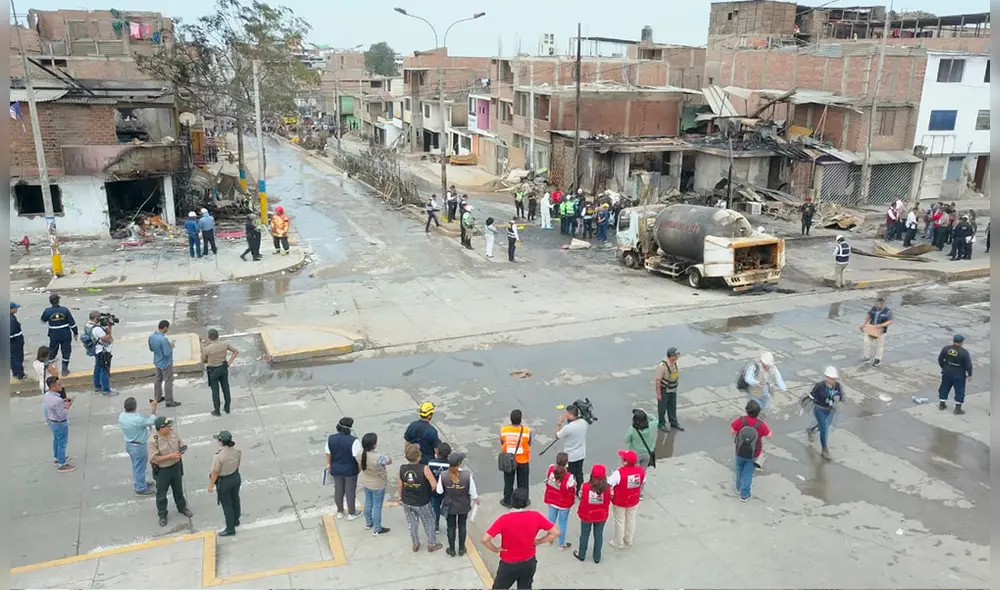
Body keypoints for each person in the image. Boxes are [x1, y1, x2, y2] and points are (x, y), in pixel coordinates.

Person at [483, 487, 559, 589]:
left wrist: (495, 549)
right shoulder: (535, 516)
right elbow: (555, 532)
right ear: (526, 502)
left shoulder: (504, 519)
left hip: (509, 563)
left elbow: (485, 539)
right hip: (528, 562)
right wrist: (539, 541)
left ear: (512, 501)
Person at [149, 416, 193, 526]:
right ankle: (162, 514)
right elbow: (153, 459)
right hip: (163, 470)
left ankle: (182, 507)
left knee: (178, 489)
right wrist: (170, 456)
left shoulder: (172, 432)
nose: (169, 427)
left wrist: (181, 446)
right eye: (167, 426)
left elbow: (179, 441)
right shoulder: (153, 440)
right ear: (161, 428)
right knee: (161, 494)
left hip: (176, 466)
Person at [399, 443, 442, 552]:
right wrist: (427, 492)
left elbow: (400, 485)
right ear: (418, 456)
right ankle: (431, 544)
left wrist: (400, 497)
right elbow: (434, 485)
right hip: (422, 501)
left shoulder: (402, 468)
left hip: (407, 500)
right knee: (430, 520)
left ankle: (415, 543)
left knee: (412, 522)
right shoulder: (424, 469)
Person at [438, 452, 480, 557]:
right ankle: (461, 549)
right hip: (463, 505)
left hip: (450, 506)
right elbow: (472, 492)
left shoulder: (443, 475)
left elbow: (439, 491)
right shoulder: (467, 475)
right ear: (460, 463)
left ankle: (451, 549)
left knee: (451, 527)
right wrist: (476, 498)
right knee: (462, 526)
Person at [730, 400, 771, 501]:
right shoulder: (760, 424)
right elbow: (769, 435)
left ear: (746, 410)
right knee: (748, 473)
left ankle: (738, 488)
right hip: (753, 453)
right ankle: (745, 495)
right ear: (758, 412)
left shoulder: (741, 420)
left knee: (739, 469)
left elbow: (732, 431)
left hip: (739, 450)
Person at [119, 396, 159, 495]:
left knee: (136, 466)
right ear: (135, 407)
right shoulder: (137, 419)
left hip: (129, 444)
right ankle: (141, 488)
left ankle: (140, 483)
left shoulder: (122, 416)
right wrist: (153, 409)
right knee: (140, 468)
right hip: (139, 446)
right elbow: (152, 421)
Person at [608, 450, 645, 549]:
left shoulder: (618, 473)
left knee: (620, 521)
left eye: (622, 458)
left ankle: (618, 542)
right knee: (631, 519)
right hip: (633, 500)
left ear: (625, 462)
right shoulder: (641, 471)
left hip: (620, 501)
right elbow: (643, 481)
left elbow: (608, 483)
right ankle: (628, 539)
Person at [574, 463, 611, 564]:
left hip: (586, 515)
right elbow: (610, 498)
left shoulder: (585, 487)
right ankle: (597, 557)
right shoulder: (608, 488)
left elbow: (580, 496)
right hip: (601, 515)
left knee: (584, 534)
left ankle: (581, 554)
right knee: (598, 535)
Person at [326, 417, 361, 520]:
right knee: (350, 492)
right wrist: (359, 468)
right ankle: (351, 513)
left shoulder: (331, 438)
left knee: (338, 491)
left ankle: (340, 511)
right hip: (350, 470)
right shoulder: (354, 441)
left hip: (336, 469)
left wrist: (329, 465)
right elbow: (357, 457)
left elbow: (328, 453)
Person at [208, 430, 242, 536]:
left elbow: (215, 472)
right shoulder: (237, 450)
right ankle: (236, 520)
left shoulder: (219, 456)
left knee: (227, 505)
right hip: (235, 477)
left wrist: (211, 485)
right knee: (235, 499)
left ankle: (230, 529)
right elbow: (238, 463)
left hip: (224, 481)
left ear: (221, 442)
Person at [805, 367, 844, 460]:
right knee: (825, 428)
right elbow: (812, 396)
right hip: (819, 409)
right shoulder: (819, 386)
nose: (830, 380)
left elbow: (840, 395)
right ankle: (824, 449)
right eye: (828, 377)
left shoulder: (837, 386)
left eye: (832, 378)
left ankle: (811, 430)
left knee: (823, 426)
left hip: (830, 410)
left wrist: (838, 398)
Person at [356, 432, 391, 535]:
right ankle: (377, 528)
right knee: (377, 506)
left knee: (368, 502)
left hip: (366, 481)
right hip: (378, 484)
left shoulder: (360, 453)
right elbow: (389, 461)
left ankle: (368, 523)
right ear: (374, 444)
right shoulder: (379, 457)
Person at [201, 329, 238, 416]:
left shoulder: (207, 349)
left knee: (215, 391)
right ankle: (227, 408)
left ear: (209, 337)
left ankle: (217, 411)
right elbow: (235, 351)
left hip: (213, 370)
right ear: (218, 335)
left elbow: (203, 360)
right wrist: (229, 362)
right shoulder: (225, 344)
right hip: (223, 368)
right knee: (226, 388)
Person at [43, 376, 77, 472]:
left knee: (56, 440)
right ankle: (62, 464)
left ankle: (57, 457)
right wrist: (67, 406)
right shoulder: (57, 400)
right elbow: (62, 414)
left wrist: (63, 401)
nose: (61, 386)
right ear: (53, 386)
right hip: (60, 423)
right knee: (62, 443)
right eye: (59, 385)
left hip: (52, 421)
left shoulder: (47, 395)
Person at [543, 452, 575, 551]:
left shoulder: (551, 469)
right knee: (562, 523)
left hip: (552, 500)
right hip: (563, 504)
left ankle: (549, 539)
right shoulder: (569, 477)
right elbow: (571, 488)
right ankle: (561, 545)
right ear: (567, 463)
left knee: (551, 520)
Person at [500, 409, 532, 508]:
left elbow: (502, 442)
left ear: (510, 419)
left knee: (508, 481)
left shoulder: (504, 430)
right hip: (523, 460)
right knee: (523, 482)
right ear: (521, 420)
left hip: (508, 460)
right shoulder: (526, 431)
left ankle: (507, 500)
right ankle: (523, 500)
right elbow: (529, 443)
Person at [554, 404, 588, 496]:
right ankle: (579, 491)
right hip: (581, 454)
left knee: (570, 475)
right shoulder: (584, 423)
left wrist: (559, 423)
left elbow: (557, 436)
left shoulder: (568, 428)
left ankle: (570, 492)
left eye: (567, 414)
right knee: (579, 473)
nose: (565, 415)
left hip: (571, 456)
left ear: (571, 415)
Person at [41, 293, 77, 376]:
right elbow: (72, 323)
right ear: (58, 301)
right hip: (65, 335)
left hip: (54, 335)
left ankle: (51, 369)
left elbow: (43, 320)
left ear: (50, 302)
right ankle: (64, 370)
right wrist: (75, 332)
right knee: (66, 351)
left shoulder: (47, 311)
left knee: (52, 351)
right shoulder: (65, 310)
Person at [938, 334, 972, 415]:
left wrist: (944, 367)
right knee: (959, 390)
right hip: (959, 374)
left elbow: (940, 359)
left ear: (953, 341)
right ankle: (957, 409)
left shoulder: (946, 348)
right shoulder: (964, 352)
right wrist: (970, 374)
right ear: (961, 342)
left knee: (944, 387)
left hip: (947, 372)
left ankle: (942, 404)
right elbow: (968, 365)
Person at [149, 320, 178, 407]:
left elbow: (151, 349)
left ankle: (157, 397)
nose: (168, 330)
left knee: (158, 379)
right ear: (165, 328)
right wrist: (171, 347)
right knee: (168, 381)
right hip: (166, 363)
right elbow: (167, 353)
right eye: (167, 328)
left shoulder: (152, 337)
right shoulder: (163, 339)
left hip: (157, 361)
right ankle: (169, 401)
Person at [654, 347, 684, 432]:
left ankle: (674, 422)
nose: (677, 357)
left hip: (673, 389)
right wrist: (659, 393)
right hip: (664, 390)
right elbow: (658, 380)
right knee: (662, 408)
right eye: (676, 355)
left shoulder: (674, 363)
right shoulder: (662, 366)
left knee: (672, 407)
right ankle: (661, 424)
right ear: (671, 356)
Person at [859, 296, 893, 367]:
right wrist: (863, 324)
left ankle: (878, 359)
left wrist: (880, 325)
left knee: (879, 346)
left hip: (881, 331)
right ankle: (866, 357)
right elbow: (869, 315)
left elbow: (890, 321)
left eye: (879, 305)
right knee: (866, 342)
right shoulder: (873, 308)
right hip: (871, 329)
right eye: (876, 304)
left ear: (883, 304)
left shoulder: (888, 311)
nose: (877, 306)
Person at [428, 442, 452, 532]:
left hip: (435, 489)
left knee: (436, 507)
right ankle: (450, 526)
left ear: (437, 452)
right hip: (447, 489)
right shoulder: (451, 464)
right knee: (449, 508)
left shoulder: (431, 463)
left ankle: (436, 525)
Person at [90, 312, 116, 397]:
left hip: (97, 350)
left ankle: (97, 386)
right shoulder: (97, 329)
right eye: (99, 318)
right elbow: (106, 339)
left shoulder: (89, 325)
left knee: (98, 368)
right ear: (96, 318)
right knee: (105, 370)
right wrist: (110, 327)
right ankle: (106, 390)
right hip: (103, 352)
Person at [10, 302, 25, 380]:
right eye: (15, 308)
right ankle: (20, 375)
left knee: (13, 358)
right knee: (18, 358)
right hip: (15, 342)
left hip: (13, 343)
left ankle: (15, 373)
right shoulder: (11, 320)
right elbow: (11, 333)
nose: (17, 309)